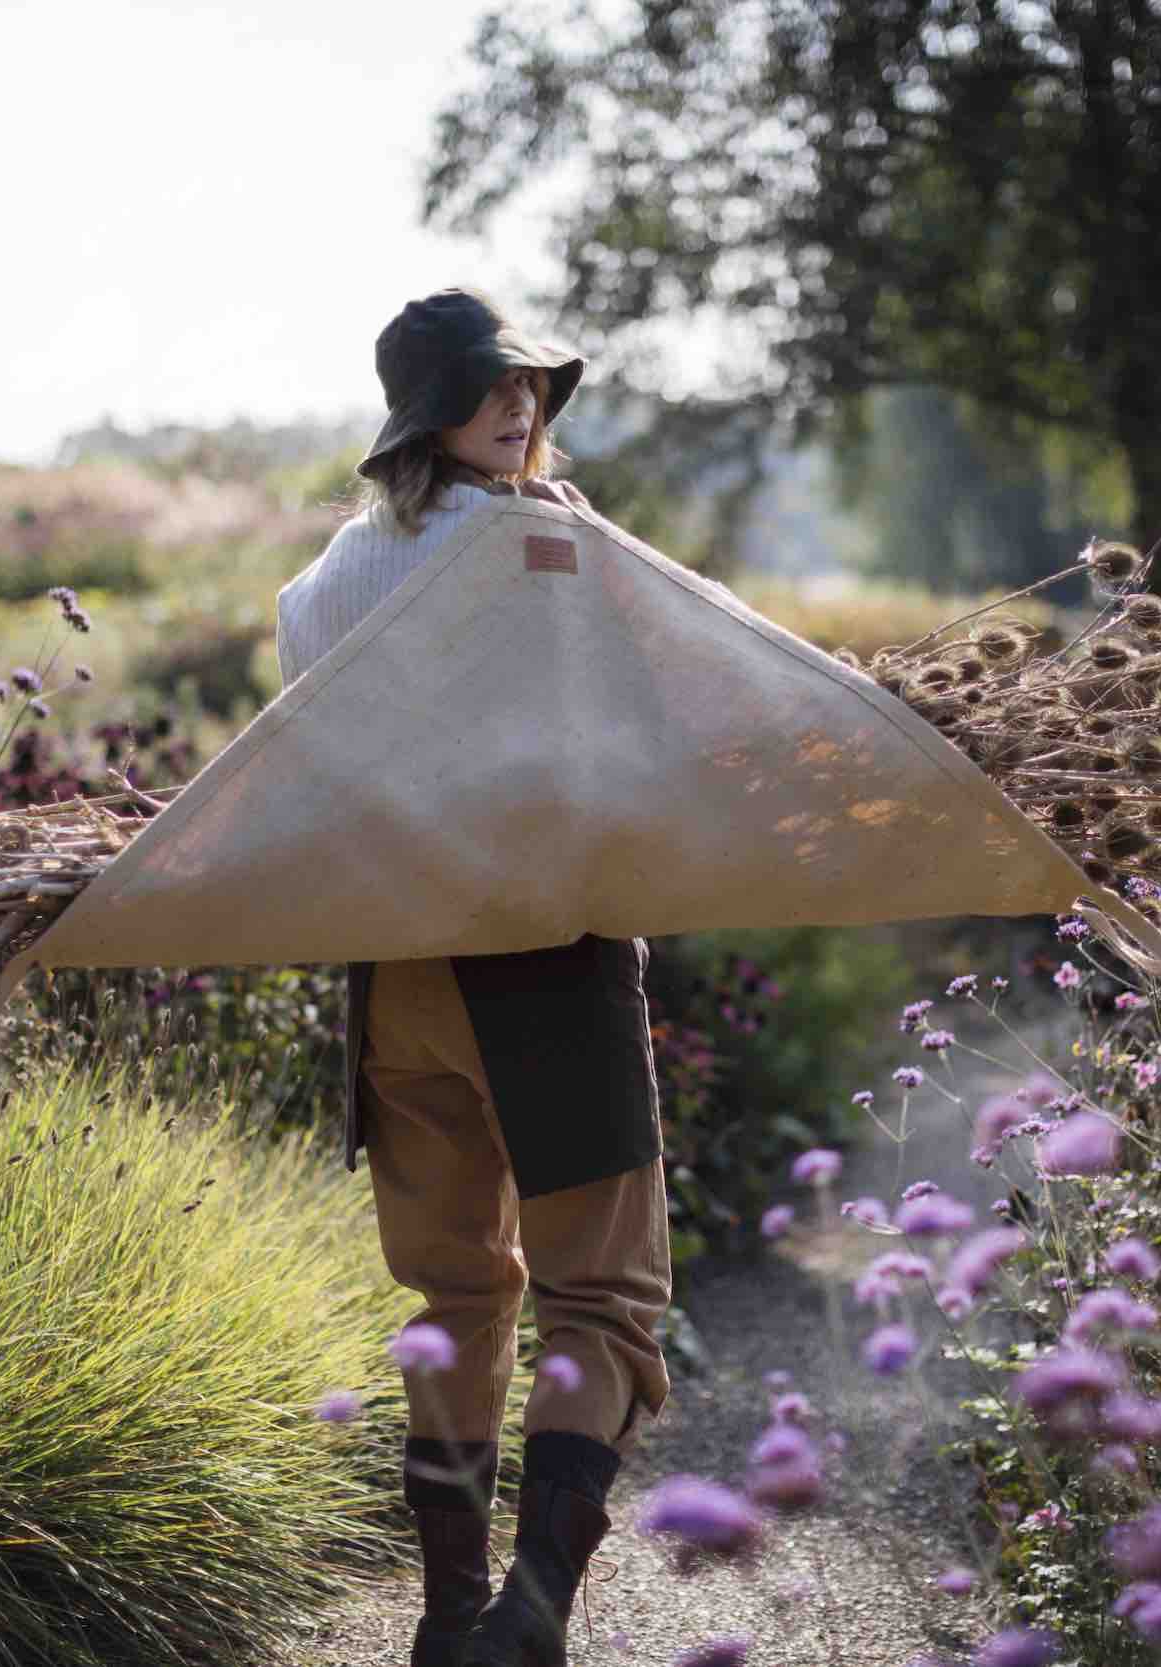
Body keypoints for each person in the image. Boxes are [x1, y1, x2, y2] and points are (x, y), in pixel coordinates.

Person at [273, 287, 674, 1667]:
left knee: (454, 1298)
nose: (521, 407)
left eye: (532, 387)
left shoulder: (320, 583)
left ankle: (447, 1620)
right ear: (426, 417)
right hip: (541, 963)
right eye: (490, 387)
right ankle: (532, 1612)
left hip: (395, 983)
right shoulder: (550, 543)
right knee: (601, 1294)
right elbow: (678, 684)